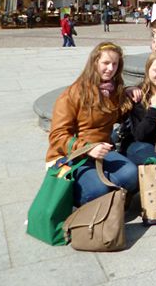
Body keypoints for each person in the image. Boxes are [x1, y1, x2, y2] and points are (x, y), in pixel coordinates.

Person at [46, 42, 137, 206]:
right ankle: (74, 199)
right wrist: (88, 148)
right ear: (95, 62)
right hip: (73, 155)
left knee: (131, 175)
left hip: (102, 150)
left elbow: (115, 116)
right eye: (106, 63)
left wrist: (128, 93)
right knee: (97, 191)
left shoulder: (112, 90)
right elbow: (57, 136)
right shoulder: (72, 94)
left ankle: (110, 199)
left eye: (115, 64)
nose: (110, 68)